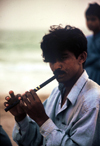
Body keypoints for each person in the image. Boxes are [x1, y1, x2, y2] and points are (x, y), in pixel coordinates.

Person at [4, 25, 100, 146]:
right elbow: (36, 141)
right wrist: (21, 117)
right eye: (52, 60)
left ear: (81, 57)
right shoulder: (56, 93)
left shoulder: (93, 102)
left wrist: (42, 119)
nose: (56, 66)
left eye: (63, 58)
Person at [84, 2, 100, 85]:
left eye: (93, 19)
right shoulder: (87, 39)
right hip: (89, 80)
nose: (89, 22)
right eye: (87, 19)